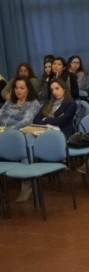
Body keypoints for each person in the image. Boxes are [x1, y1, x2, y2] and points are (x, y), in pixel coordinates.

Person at [0, 76, 43, 204]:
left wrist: (8, 131)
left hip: (20, 134)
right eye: (16, 88)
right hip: (3, 134)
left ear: (28, 89)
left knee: (26, 143)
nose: (18, 90)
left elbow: (26, 121)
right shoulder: (9, 102)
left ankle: (27, 184)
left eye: (22, 88)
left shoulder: (33, 103)